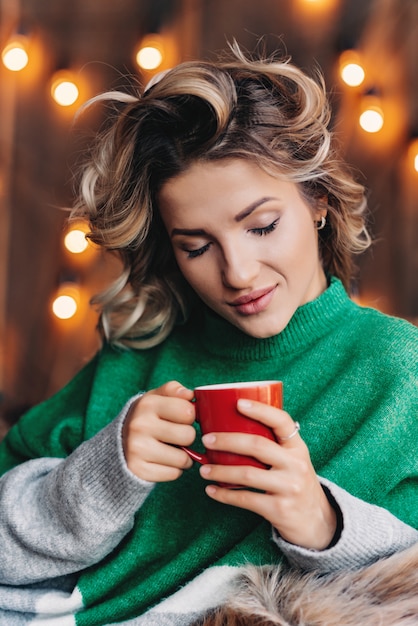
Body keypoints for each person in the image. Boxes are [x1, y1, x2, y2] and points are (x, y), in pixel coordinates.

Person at [0, 44, 417, 626]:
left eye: (262, 226)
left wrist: (323, 521)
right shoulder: (137, 357)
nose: (238, 273)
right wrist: (100, 476)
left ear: (318, 200)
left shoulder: (398, 369)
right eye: (195, 245)